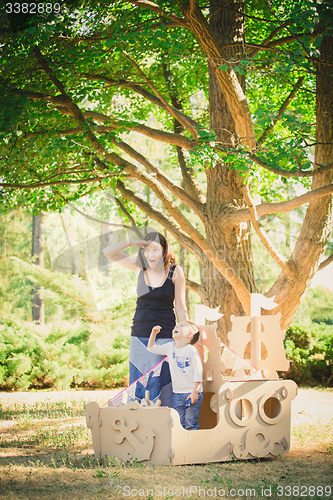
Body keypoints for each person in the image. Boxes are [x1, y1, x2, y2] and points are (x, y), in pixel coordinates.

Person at [103, 231, 188, 406]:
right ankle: (138, 422)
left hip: (165, 336)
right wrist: (131, 241)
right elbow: (108, 252)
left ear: (164, 250)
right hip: (139, 335)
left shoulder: (175, 271)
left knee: (162, 381)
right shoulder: (139, 266)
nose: (151, 254)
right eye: (147, 249)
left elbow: (180, 306)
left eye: (156, 249)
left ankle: (164, 422)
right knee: (138, 383)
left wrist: (184, 332)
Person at [147, 321, 203, 430]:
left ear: (190, 334)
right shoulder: (170, 347)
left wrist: (195, 392)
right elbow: (151, 348)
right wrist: (153, 334)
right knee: (179, 422)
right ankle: (181, 444)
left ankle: (192, 444)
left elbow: (198, 371)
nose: (176, 326)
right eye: (176, 325)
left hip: (192, 392)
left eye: (181, 326)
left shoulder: (191, 350)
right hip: (177, 393)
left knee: (190, 422)